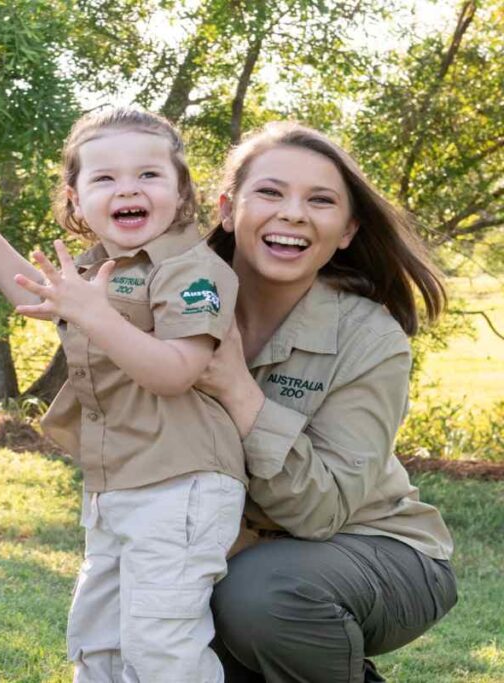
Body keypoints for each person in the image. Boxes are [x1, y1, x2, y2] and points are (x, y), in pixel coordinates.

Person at [0, 107, 247, 682]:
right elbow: (32, 293)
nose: (127, 189)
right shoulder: (98, 267)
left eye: (148, 175)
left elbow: (175, 372)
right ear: (75, 199)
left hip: (182, 483)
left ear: (181, 190)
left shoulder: (193, 270)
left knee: (160, 644)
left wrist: (94, 313)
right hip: (115, 483)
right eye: (104, 178)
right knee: (99, 639)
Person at [197, 121, 458, 682]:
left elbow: (323, 512)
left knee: (259, 597)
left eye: (320, 200)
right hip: (229, 557)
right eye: (270, 192)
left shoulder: (371, 338)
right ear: (226, 208)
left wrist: (237, 389)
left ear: (346, 230)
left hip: (377, 551)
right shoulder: (180, 306)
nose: (293, 213)